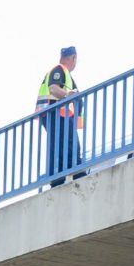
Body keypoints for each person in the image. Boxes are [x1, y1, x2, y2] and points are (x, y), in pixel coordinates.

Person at [37, 48, 83, 180]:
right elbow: (53, 89)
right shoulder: (59, 69)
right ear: (73, 58)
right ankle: (76, 173)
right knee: (70, 143)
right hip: (57, 115)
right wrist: (69, 95)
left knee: (58, 146)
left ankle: (57, 178)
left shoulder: (65, 73)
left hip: (55, 115)